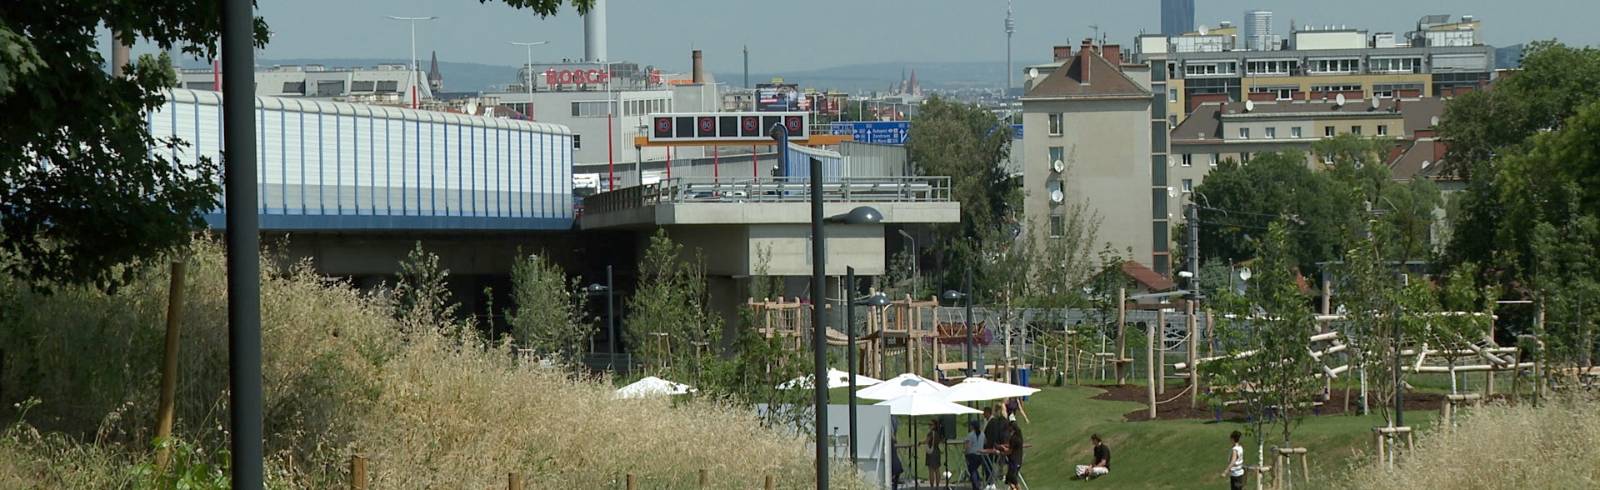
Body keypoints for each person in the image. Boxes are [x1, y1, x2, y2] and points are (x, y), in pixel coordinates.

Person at [1001, 420, 1025, 490]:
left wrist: (1002, 452)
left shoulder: (1013, 438)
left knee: (1013, 478)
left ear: (1011, 427)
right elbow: (1013, 447)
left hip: (1014, 461)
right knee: (1009, 478)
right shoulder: (1019, 436)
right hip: (1018, 460)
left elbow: (1010, 451)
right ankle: (1014, 489)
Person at [964, 420, 986, 490]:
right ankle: (976, 483)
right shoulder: (982, 434)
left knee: (972, 470)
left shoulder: (970, 435)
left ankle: (976, 485)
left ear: (972, 426)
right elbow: (985, 442)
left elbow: (967, 446)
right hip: (980, 455)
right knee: (974, 470)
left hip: (972, 455)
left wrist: (965, 452)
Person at [925, 419, 944, 487]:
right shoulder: (939, 433)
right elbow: (941, 441)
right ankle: (938, 486)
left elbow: (927, 441)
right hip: (937, 451)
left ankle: (932, 486)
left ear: (934, 425)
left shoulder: (930, 433)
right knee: (937, 470)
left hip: (931, 452)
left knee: (931, 470)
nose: (929, 426)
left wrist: (921, 442)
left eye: (931, 424)